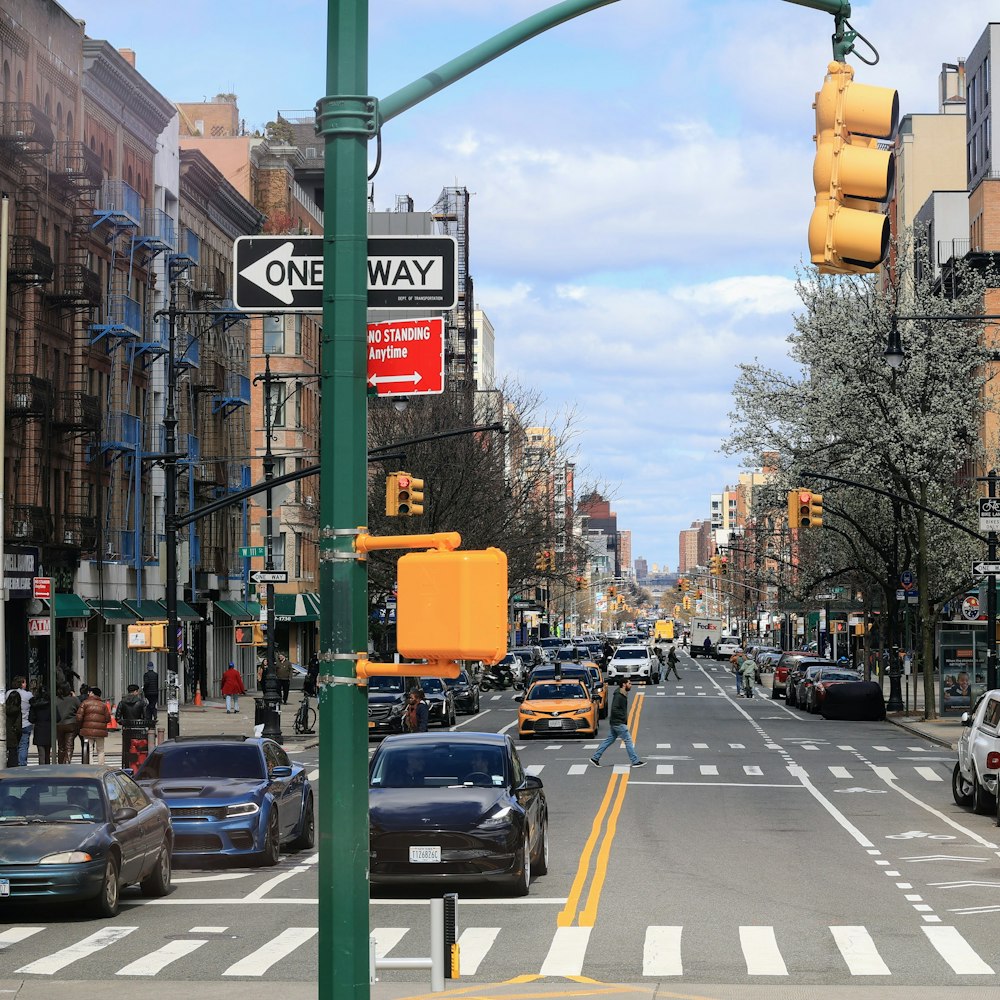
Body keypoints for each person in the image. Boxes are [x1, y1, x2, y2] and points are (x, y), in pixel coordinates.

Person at [590, 678, 645, 768]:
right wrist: (623, 718)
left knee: (609, 740)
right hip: (618, 722)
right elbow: (614, 709)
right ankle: (635, 761)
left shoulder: (621, 694)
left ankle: (595, 758)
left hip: (615, 722)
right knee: (628, 740)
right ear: (624, 684)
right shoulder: (619, 695)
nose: (631, 685)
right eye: (629, 683)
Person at [76, 686, 111, 765]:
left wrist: (82, 725)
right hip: (100, 731)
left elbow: (79, 717)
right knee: (100, 750)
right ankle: (101, 766)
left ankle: (90, 766)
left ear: (92, 693)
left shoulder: (85, 703)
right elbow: (108, 719)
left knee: (89, 750)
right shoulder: (103, 705)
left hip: (87, 730)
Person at [56, 682, 81, 764]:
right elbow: (80, 709)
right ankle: (67, 762)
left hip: (59, 724)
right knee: (69, 746)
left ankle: (60, 763)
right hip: (71, 724)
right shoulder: (74, 699)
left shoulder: (56, 699)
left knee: (61, 746)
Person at [11, 676, 33, 767]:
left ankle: (14, 762)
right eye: (24, 682)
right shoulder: (28, 695)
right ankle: (22, 764)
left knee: (14, 745)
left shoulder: (8, 693)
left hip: (13, 723)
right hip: (25, 722)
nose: (26, 684)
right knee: (23, 746)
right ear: (21, 684)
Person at [28, 687, 53, 765]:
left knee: (41, 754)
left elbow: (31, 719)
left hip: (39, 729)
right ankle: (48, 768)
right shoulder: (50, 705)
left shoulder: (34, 705)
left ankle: (42, 769)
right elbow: (57, 717)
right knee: (47, 753)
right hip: (48, 729)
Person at [5, 689, 23, 767]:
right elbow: (18, 725)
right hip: (12, 735)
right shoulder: (18, 710)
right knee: (13, 755)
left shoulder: (3, 709)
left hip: (4, 732)